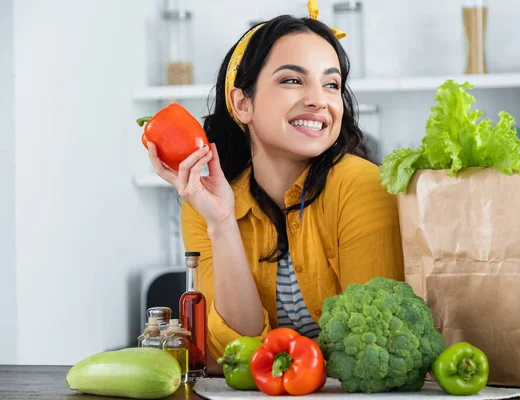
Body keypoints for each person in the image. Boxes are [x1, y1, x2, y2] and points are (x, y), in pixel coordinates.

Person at [147, 0, 403, 373]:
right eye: (292, 80)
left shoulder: (362, 186)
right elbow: (236, 348)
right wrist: (221, 222)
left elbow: (372, 345)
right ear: (242, 103)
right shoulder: (203, 204)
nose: (319, 100)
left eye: (331, 84)